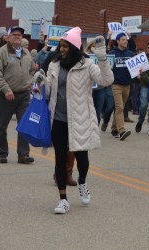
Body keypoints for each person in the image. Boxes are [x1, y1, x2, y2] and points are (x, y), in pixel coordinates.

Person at [35, 27, 113, 214]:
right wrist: (40, 81)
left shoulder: (87, 65)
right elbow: (48, 91)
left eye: (65, 46)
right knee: (60, 159)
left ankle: (82, 182)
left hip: (80, 118)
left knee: (82, 158)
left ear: (75, 47)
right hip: (58, 119)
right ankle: (63, 199)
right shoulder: (54, 64)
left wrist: (102, 58)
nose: (61, 49)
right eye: (61, 46)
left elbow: (106, 80)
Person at [0, 26, 36, 164]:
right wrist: (6, 90)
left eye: (19, 35)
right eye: (14, 34)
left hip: (24, 95)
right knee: (1, 125)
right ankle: (3, 153)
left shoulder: (26, 52)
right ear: (8, 37)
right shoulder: (1, 53)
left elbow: (32, 70)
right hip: (6, 95)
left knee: (24, 125)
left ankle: (23, 155)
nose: (17, 37)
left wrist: (30, 84)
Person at [107, 32, 133, 140]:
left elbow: (135, 68)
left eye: (126, 39)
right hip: (116, 84)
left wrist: (139, 71)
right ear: (117, 41)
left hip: (127, 85)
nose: (125, 41)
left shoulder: (130, 53)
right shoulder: (112, 53)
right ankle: (122, 130)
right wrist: (107, 37)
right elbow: (107, 66)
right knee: (120, 107)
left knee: (120, 108)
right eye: (123, 39)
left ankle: (114, 128)